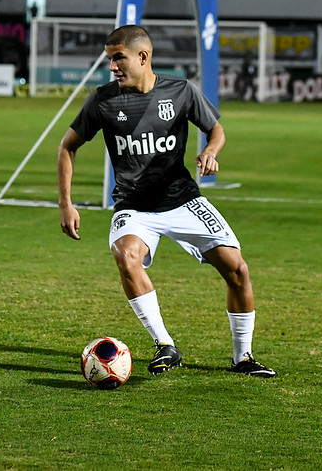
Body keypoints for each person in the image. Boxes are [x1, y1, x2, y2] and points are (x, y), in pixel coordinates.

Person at [57, 25, 277, 379]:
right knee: (126, 256)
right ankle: (165, 345)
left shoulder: (180, 91)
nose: (112, 66)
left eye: (118, 58)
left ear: (143, 57)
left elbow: (216, 128)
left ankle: (243, 357)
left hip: (183, 200)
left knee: (237, 269)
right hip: (133, 206)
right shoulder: (103, 100)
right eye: (109, 59)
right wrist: (66, 203)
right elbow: (67, 146)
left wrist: (210, 150)